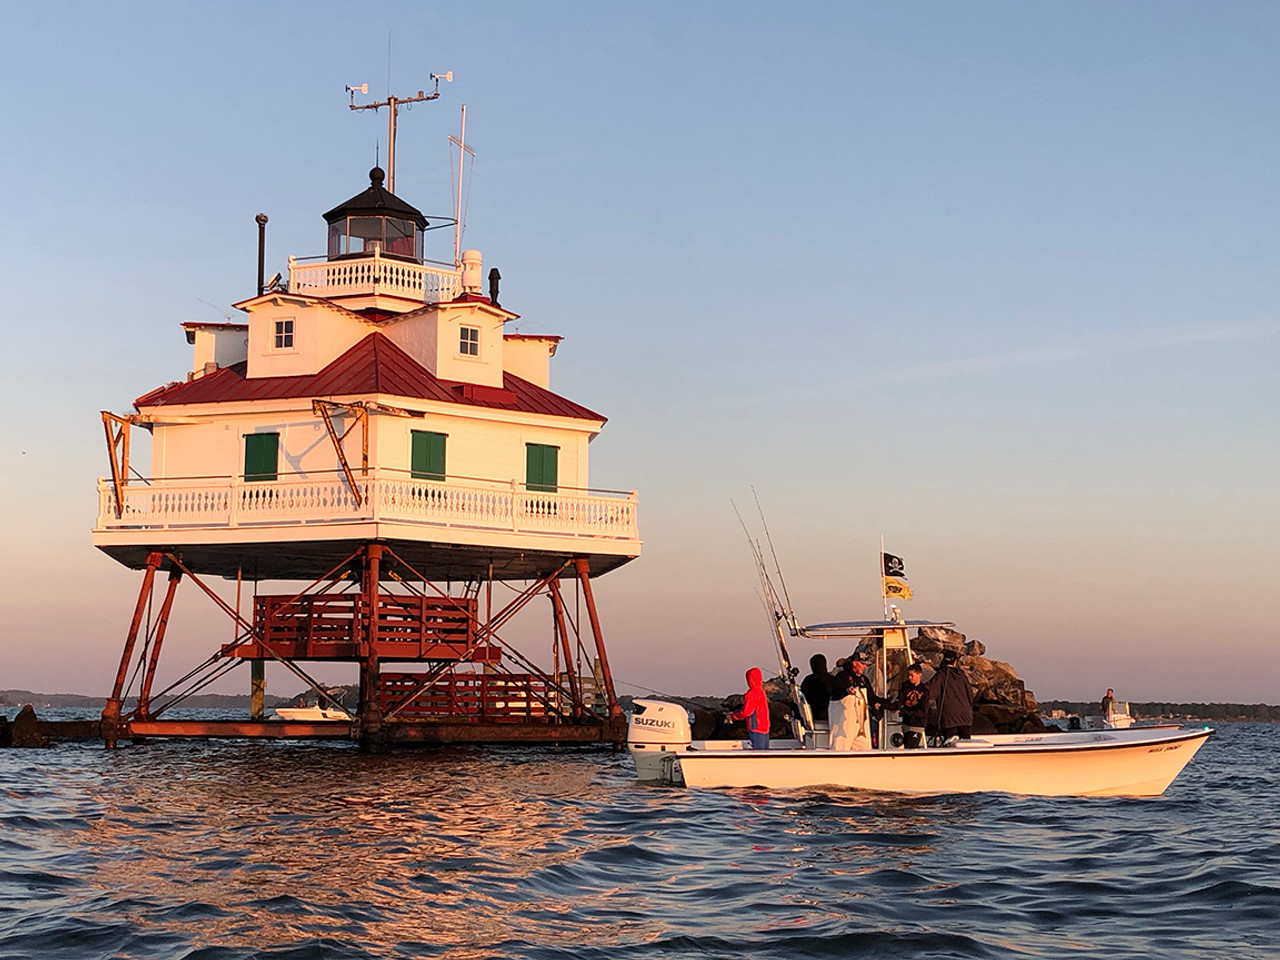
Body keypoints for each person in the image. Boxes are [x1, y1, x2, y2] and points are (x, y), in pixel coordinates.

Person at [829, 654, 880, 750]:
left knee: (864, 748)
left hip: (860, 723)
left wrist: (886, 704)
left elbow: (872, 697)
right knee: (841, 747)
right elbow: (836, 690)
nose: (865, 667)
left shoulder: (864, 679)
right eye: (863, 664)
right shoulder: (841, 676)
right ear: (855, 663)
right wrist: (847, 690)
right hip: (843, 723)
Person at [928, 649, 974, 742]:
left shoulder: (941, 674)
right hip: (965, 715)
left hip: (949, 716)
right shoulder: (962, 675)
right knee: (966, 744)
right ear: (955, 661)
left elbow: (931, 692)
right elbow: (970, 694)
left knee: (949, 743)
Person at [726, 667, 771, 750]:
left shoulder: (752, 694)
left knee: (758, 754)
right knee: (765, 753)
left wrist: (733, 716)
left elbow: (747, 712)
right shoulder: (761, 691)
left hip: (756, 728)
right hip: (765, 726)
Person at [893, 662, 929, 749]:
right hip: (906, 725)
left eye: (912, 675)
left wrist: (905, 712)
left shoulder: (924, 691)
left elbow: (923, 712)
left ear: (919, 675)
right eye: (908, 675)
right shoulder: (906, 686)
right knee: (906, 747)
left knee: (911, 748)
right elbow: (899, 702)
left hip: (917, 725)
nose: (909, 678)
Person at [800, 653, 833, 723]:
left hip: (813, 715)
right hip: (832, 715)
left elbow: (803, 697)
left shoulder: (808, 680)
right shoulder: (832, 679)